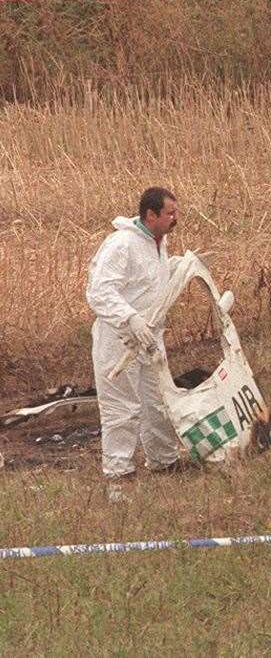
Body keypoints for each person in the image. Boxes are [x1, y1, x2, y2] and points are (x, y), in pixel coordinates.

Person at [86, 187, 185, 492]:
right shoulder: (121, 244)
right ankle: (119, 471)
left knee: (157, 402)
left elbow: (148, 281)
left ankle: (164, 460)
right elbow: (100, 292)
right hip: (119, 341)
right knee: (122, 407)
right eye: (170, 213)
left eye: (175, 212)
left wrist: (180, 268)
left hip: (151, 338)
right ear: (150, 214)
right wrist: (129, 318)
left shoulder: (159, 242)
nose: (175, 218)